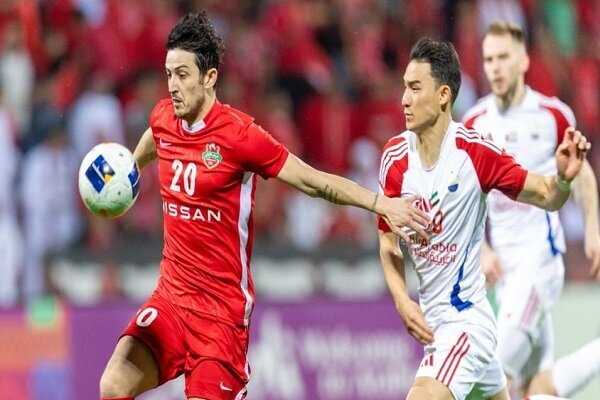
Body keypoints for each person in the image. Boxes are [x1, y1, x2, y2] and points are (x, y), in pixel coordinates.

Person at [98, 12, 430, 400]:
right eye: (169, 74)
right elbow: (150, 144)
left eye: (183, 75)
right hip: (170, 300)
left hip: (220, 320)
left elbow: (312, 181)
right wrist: (122, 176)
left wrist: (380, 203)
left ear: (209, 77)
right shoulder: (163, 118)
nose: (173, 85)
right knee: (113, 384)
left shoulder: (240, 136)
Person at [377, 37, 589, 400]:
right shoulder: (394, 158)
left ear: (443, 95)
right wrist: (401, 299)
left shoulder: (475, 153)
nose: (404, 99)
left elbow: (546, 194)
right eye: (404, 88)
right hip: (438, 327)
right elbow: (387, 243)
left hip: (465, 325)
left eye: (415, 88)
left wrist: (564, 179)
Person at [462, 21, 600, 397]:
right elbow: (468, 197)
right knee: (538, 389)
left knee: (489, 378)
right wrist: (482, 249)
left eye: (503, 57)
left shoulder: (553, 115)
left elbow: (581, 173)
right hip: (503, 273)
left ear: (523, 61)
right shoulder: (474, 123)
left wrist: (593, 229)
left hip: (540, 263)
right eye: (489, 59)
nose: (495, 67)